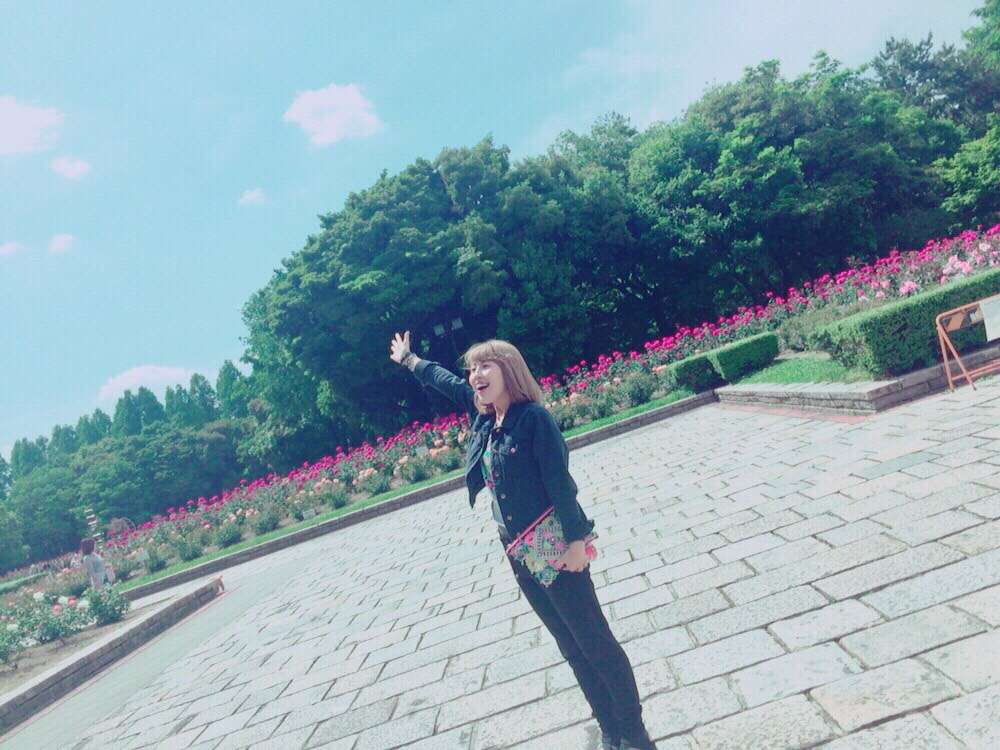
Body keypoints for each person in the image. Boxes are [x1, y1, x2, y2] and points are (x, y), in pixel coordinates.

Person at [390, 332, 657, 750]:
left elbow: (560, 484)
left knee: (595, 643)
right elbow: (445, 381)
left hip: (555, 547)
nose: (475, 374)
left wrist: (576, 542)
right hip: (518, 553)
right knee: (570, 646)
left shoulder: (533, 419)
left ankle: (634, 734)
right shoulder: (484, 417)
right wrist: (409, 360)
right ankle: (609, 728)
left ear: (509, 370)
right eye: (472, 368)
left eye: (485, 365)